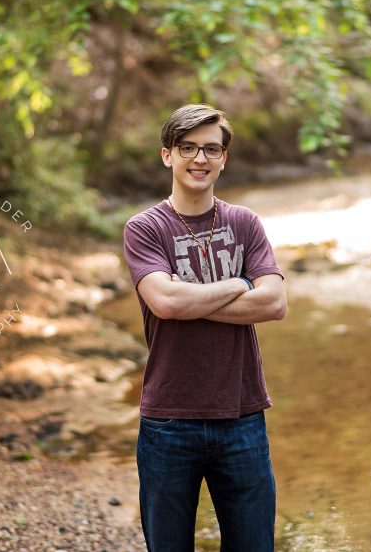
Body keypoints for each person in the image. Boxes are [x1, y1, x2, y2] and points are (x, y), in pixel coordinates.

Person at [122, 103, 287, 552]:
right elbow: (165, 301)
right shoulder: (145, 228)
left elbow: (273, 304)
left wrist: (185, 299)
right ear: (167, 155)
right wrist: (238, 283)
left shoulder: (244, 223)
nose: (200, 159)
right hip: (169, 421)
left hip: (243, 415)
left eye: (211, 150)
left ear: (224, 159)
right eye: (188, 148)